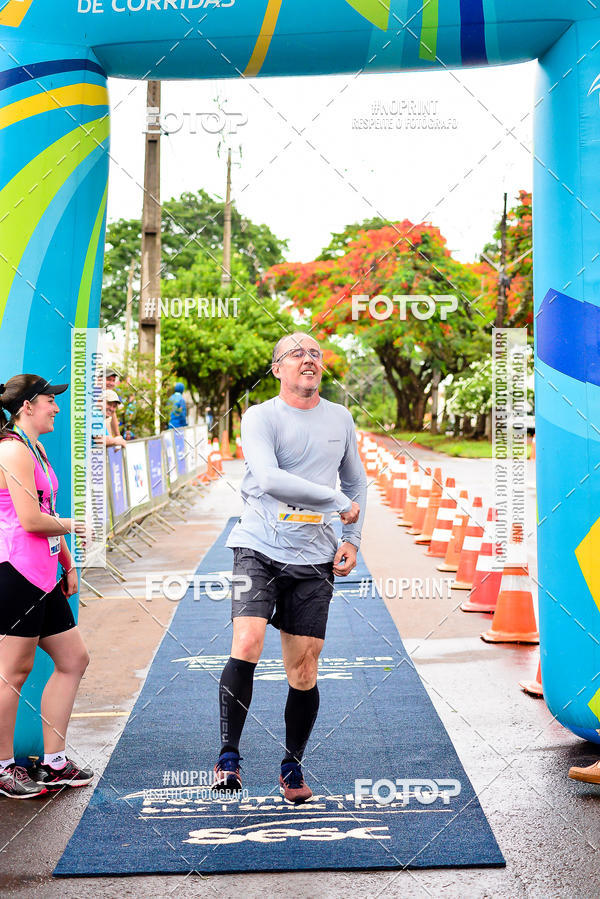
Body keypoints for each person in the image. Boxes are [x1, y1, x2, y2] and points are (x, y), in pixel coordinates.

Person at [214, 332, 367, 804]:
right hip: (258, 546)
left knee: (303, 666)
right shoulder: (261, 416)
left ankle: (291, 766)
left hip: (315, 556)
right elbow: (269, 479)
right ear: (277, 368)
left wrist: (353, 540)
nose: (308, 359)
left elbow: (357, 480)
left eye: (315, 353)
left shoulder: (339, 417)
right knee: (248, 640)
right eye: (295, 353)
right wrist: (337, 501)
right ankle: (228, 757)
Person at [0, 374, 93, 799]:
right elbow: (31, 520)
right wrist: (80, 527)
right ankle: (4, 768)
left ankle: (54, 762)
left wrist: (67, 562)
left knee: (74, 658)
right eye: (49, 401)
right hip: (15, 573)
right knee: (12, 673)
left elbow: (46, 508)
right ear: (27, 407)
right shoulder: (12, 450)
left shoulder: (34, 447)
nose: (56, 407)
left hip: (43, 572)